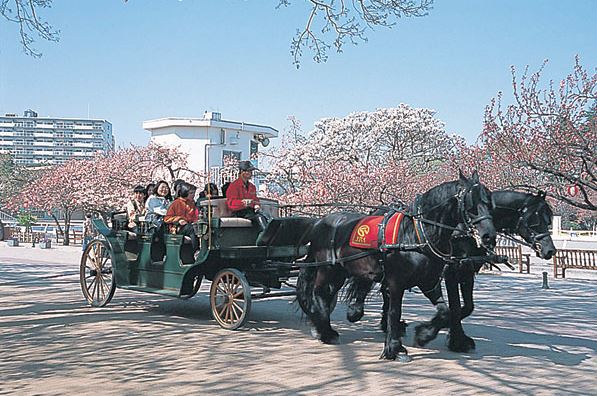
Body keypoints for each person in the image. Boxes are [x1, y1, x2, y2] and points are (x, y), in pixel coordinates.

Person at [226, 161, 268, 232]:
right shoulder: (234, 186)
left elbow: (255, 199)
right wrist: (243, 203)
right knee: (259, 217)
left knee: (266, 216)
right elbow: (231, 203)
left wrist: (256, 205)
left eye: (251, 171)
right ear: (242, 172)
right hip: (239, 212)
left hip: (250, 211)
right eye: (249, 171)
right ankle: (267, 236)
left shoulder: (252, 186)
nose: (251, 173)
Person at [164, 182, 199, 250]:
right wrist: (179, 219)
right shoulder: (175, 203)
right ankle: (195, 250)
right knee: (191, 228)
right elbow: (167, 218)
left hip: (188, 225)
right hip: (177, 228)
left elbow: (195, 216)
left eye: (194, 193)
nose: (193, 195)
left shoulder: (191, 204)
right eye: (191, 193)